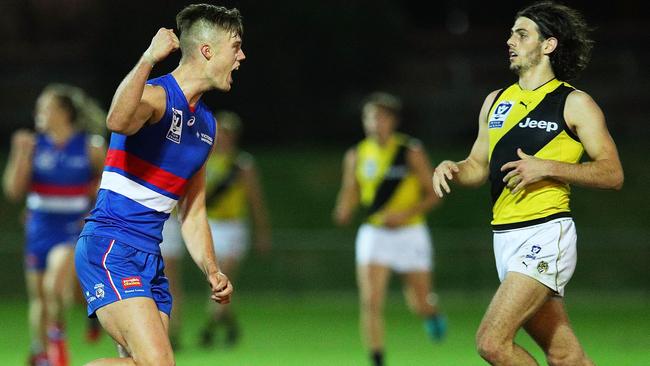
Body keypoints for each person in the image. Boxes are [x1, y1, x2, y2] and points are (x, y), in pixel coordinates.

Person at [431, 2, 624, 365]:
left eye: (521, 34)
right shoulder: (496, 101)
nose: (510, 41)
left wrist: (548, 167)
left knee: (492, 342)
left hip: (546, 234)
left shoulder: (574, 103)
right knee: (566, 357)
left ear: (548, 45)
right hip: (505, 238)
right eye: (511, 33)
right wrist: (453, 168)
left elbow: (613, 173)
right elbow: (477, 166)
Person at [74, 4, 244, 365]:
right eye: (236, 46)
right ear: (207, 50)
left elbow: (193, 212)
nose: (242, 56)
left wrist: (212, 269)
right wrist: (148, 58)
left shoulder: (207, 128)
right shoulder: (156, 96)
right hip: (112, 246)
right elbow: (117, 120)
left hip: (150, 259)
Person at [334, 92, 446, 366]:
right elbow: (350, 190)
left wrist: (405, 214)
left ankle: (431, 315)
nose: (375, 123)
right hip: (375, 234)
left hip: (411, 233)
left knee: (419, 302)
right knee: (370, 302)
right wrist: (343, 209)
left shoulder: (410, 151)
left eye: (382, 118)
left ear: (393, 121)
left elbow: (435, 194)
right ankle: (377, 358)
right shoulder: (356, 154)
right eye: (370, 117)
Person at [3, 83, 107, 366]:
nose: (38, 113)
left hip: (72, 227)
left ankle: (57, 340)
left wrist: (94, 197)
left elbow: (108, 185)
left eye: (45, 107)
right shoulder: (34, 146)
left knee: (54, 286)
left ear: (63, 112)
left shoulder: (90, 147)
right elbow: (13, 191)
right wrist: (20, 153)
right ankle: (40, 352)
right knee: (38, 298)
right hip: (39, 228)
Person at [197, 110, 272, 348]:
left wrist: (262, 232)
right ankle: (231, 325)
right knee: (217, 283)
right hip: (210, 226)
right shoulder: (204, 160)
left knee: (223, 277)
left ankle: (208, 328)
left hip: (234, 227)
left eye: (227, 134)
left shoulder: (242, 165)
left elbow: (256, 200)